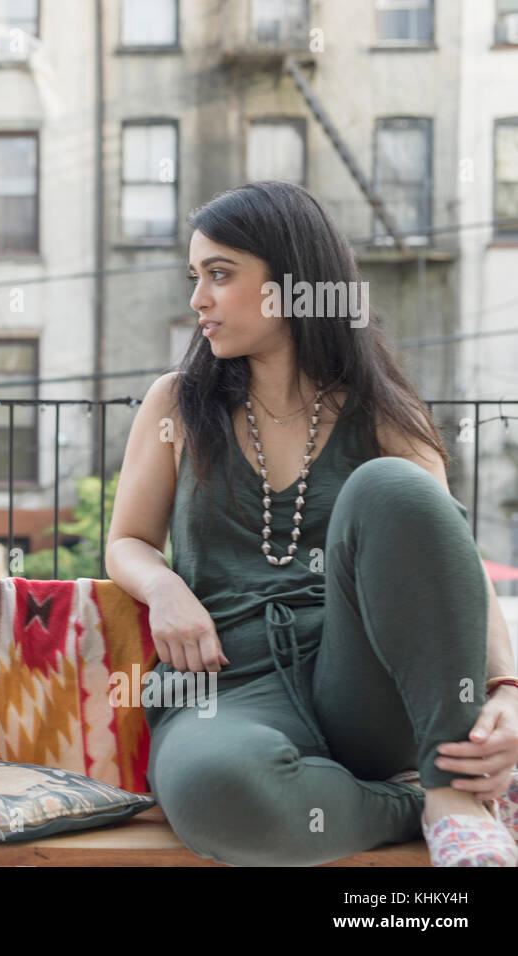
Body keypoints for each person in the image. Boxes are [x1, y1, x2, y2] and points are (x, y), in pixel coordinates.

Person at [105, 181, 518, 867]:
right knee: (217, 790)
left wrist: (507, 690)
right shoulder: (177, 403)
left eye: (219, 274)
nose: (197, 299)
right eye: (194, 276)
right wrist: (164, 589)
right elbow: (127, 541)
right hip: (229, 686)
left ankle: (454, 792)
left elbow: (450, 557)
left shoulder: (381, 409)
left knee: (395, 488)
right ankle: (413, 806)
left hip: (360, 684)